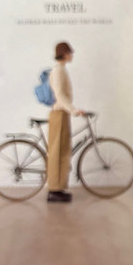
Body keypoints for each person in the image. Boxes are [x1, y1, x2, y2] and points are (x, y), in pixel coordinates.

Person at [47, 42, 85, 203]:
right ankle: (54, 190)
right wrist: (74, 110)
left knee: (62, 151)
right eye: (70, 52)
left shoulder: (61, 69)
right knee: (57, 152)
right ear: (63, 54)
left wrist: (71, 110)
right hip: (59, 113)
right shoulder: (58, 70)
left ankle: (59, 188)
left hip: (62, 113)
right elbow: (60, 95)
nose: (72, 55)